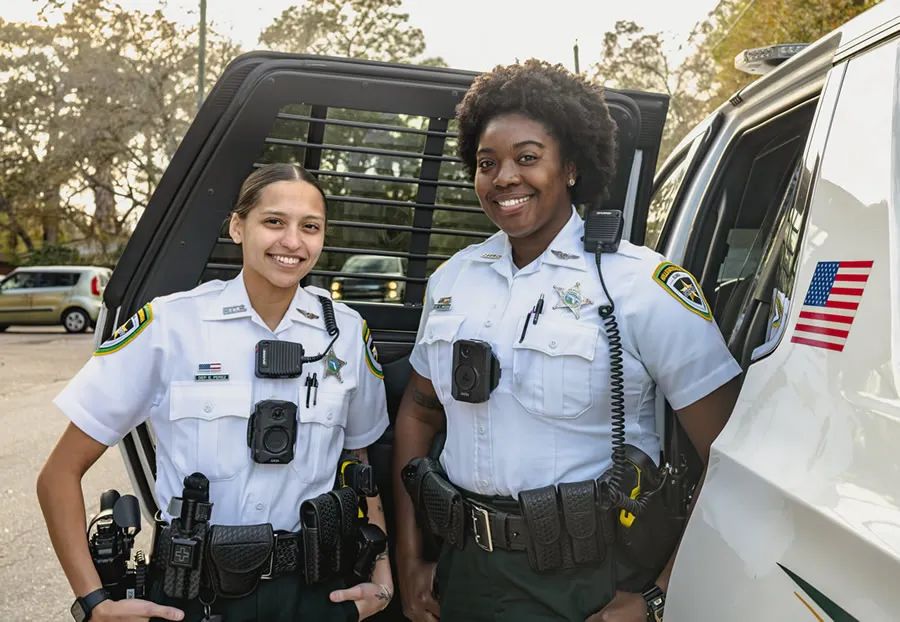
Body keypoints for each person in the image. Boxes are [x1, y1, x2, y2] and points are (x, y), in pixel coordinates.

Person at [392, 60, 742, 622]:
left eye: (527, 158)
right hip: (466, 573)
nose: (504, 177)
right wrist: (409, 560)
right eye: (488, 163)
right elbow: (418, 411)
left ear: (572, 167)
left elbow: (730, 457)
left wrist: (660, 593)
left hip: (588, 584)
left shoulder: (639, 285)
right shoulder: (451, 280)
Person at [37, 163, 394, 622]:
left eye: (310, 227)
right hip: (196, 596)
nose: (292, 241)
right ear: (237, 226)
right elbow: (58, 474)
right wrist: (92, 603)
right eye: (273, 222)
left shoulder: (344, 333)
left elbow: (359, 462)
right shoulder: (172, 326)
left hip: (315, 594)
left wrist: (381, 581)